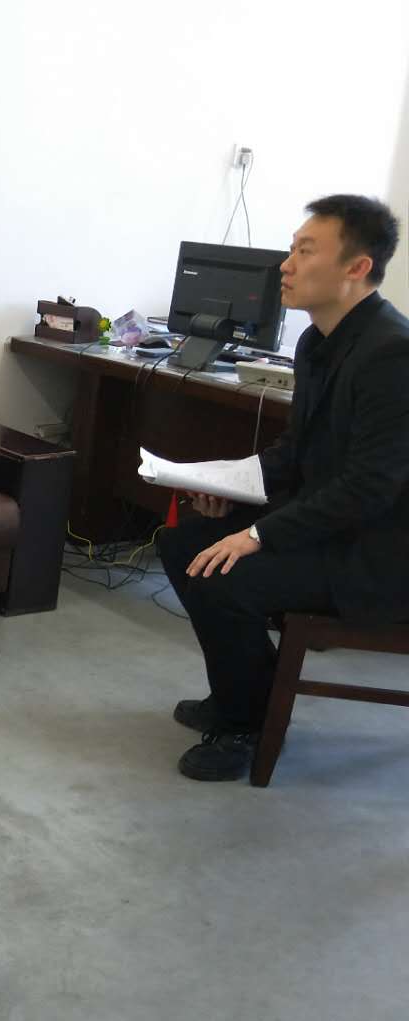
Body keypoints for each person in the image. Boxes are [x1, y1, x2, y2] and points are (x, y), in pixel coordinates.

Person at [158, 194, 409, 781]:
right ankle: (246, 696)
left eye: (305, 251)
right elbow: (297, 451)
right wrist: (229, 484)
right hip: (333, 529)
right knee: (183, 543)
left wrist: (257, 534)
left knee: (224, 576)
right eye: (292, 249)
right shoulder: (317, 341)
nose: (285, 265)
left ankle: (248, 725)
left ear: (357, 267)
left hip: (376, 555)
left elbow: (370, 488)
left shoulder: (393, 353)